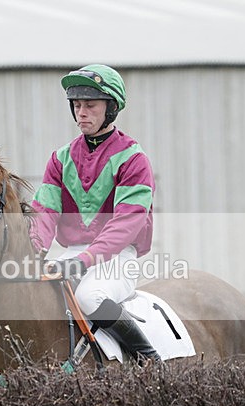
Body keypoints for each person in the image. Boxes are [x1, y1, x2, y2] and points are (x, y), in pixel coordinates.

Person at [30, 64, 161, 363]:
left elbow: (126, 224)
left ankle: (149, 361)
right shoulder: (60, 158)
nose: (81, 113)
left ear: (111, 108)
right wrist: (34, 249)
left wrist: (85, 260)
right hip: (72, 256)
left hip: (118, 256)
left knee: (90, 297)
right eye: (76, 106)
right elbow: (45, 211)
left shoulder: (133, 159)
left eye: (90, 105)